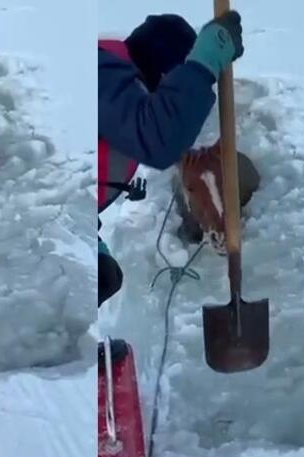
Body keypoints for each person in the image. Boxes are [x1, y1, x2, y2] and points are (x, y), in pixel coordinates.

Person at [98, 12, 250, 307]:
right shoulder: (102, 72)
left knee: (105, 277)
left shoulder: (118, 93)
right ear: (166, 74)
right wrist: (204, 63)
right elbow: (158, 138)